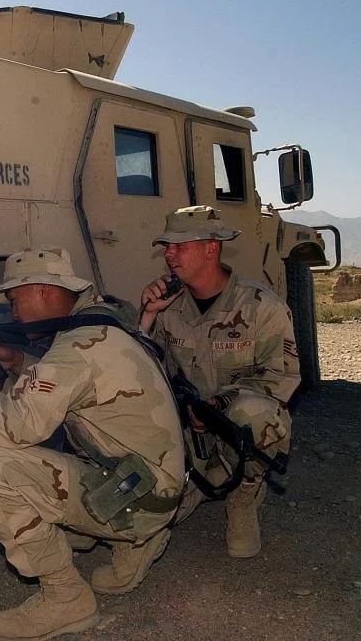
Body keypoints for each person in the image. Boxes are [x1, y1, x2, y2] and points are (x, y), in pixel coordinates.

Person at [0, 246, 185, 641]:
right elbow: (79, 392)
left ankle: (67, 599)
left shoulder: (75, 348)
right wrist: (18, 364)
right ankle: (138, 542)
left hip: (137, 497)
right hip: (150, 484)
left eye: (16, 300)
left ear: (44, 291)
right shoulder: (98, 330)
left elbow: (14, 427)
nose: (13, 313)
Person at [139, 205, 300, 558]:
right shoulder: (168, 307)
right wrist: (148, 318)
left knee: (261, 417)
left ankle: (243, 497)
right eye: (167, 246)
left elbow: (282, 378)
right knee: (152, 514)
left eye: (179, 246)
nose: (169, 254)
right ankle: (199, 479)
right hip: (186, 432)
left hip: (233, 424)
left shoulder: (262, 307)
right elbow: (139, 373)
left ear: (211, 248)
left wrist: (221, 404)